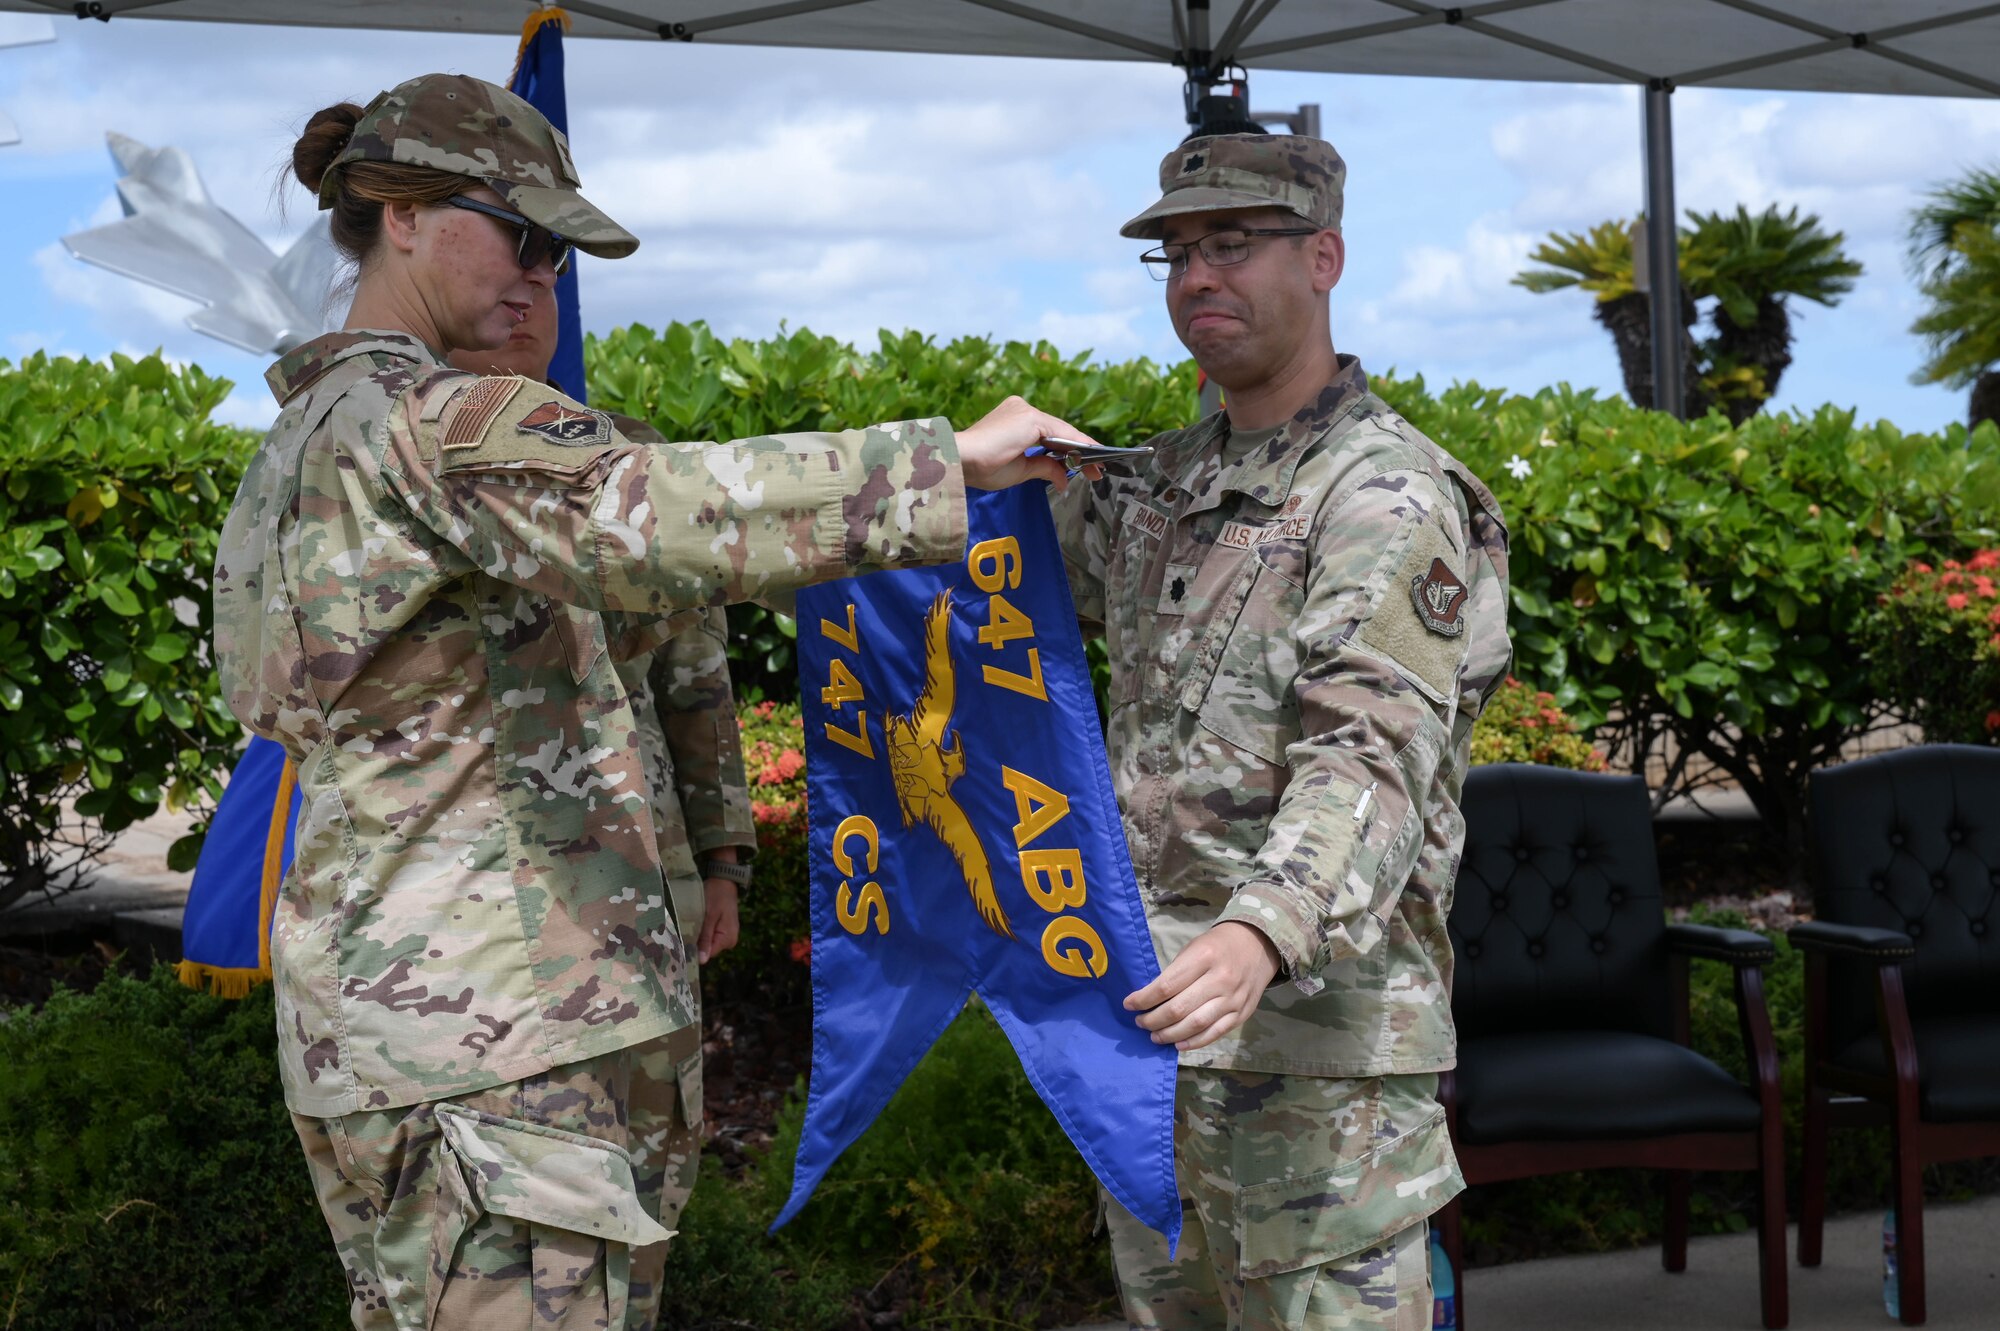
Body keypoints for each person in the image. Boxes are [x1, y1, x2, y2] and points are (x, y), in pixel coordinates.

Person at [213, 71, 1089, 1331]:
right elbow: (656, 513)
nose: (540, 274)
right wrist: (945, 461)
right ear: (397, 216)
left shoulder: (311, 437)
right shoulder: (426, 422)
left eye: (557, 252)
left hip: (450, 1028)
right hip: (498, 1048)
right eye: (518, 231)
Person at [1050, 134, 1512, 1330]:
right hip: (1151, 1040)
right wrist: (956, 476)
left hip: (1313, 1058)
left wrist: (1264, 926)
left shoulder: (1383, 491)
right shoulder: (1158, 483)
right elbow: (980, 598)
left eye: (1234, 245)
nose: (1198, 275)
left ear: (1323, 257)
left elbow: (1368, 750)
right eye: (1179, 251)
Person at [444, 288, 750, 1307]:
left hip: (642, 871)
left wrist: (721, 859)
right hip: (490, 902)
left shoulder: (626, 459)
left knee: (655, 1154)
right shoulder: (410, 459)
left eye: (545, 265)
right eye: (502, 254)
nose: (525, 290)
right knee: (516, 1207)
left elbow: (695, 678)